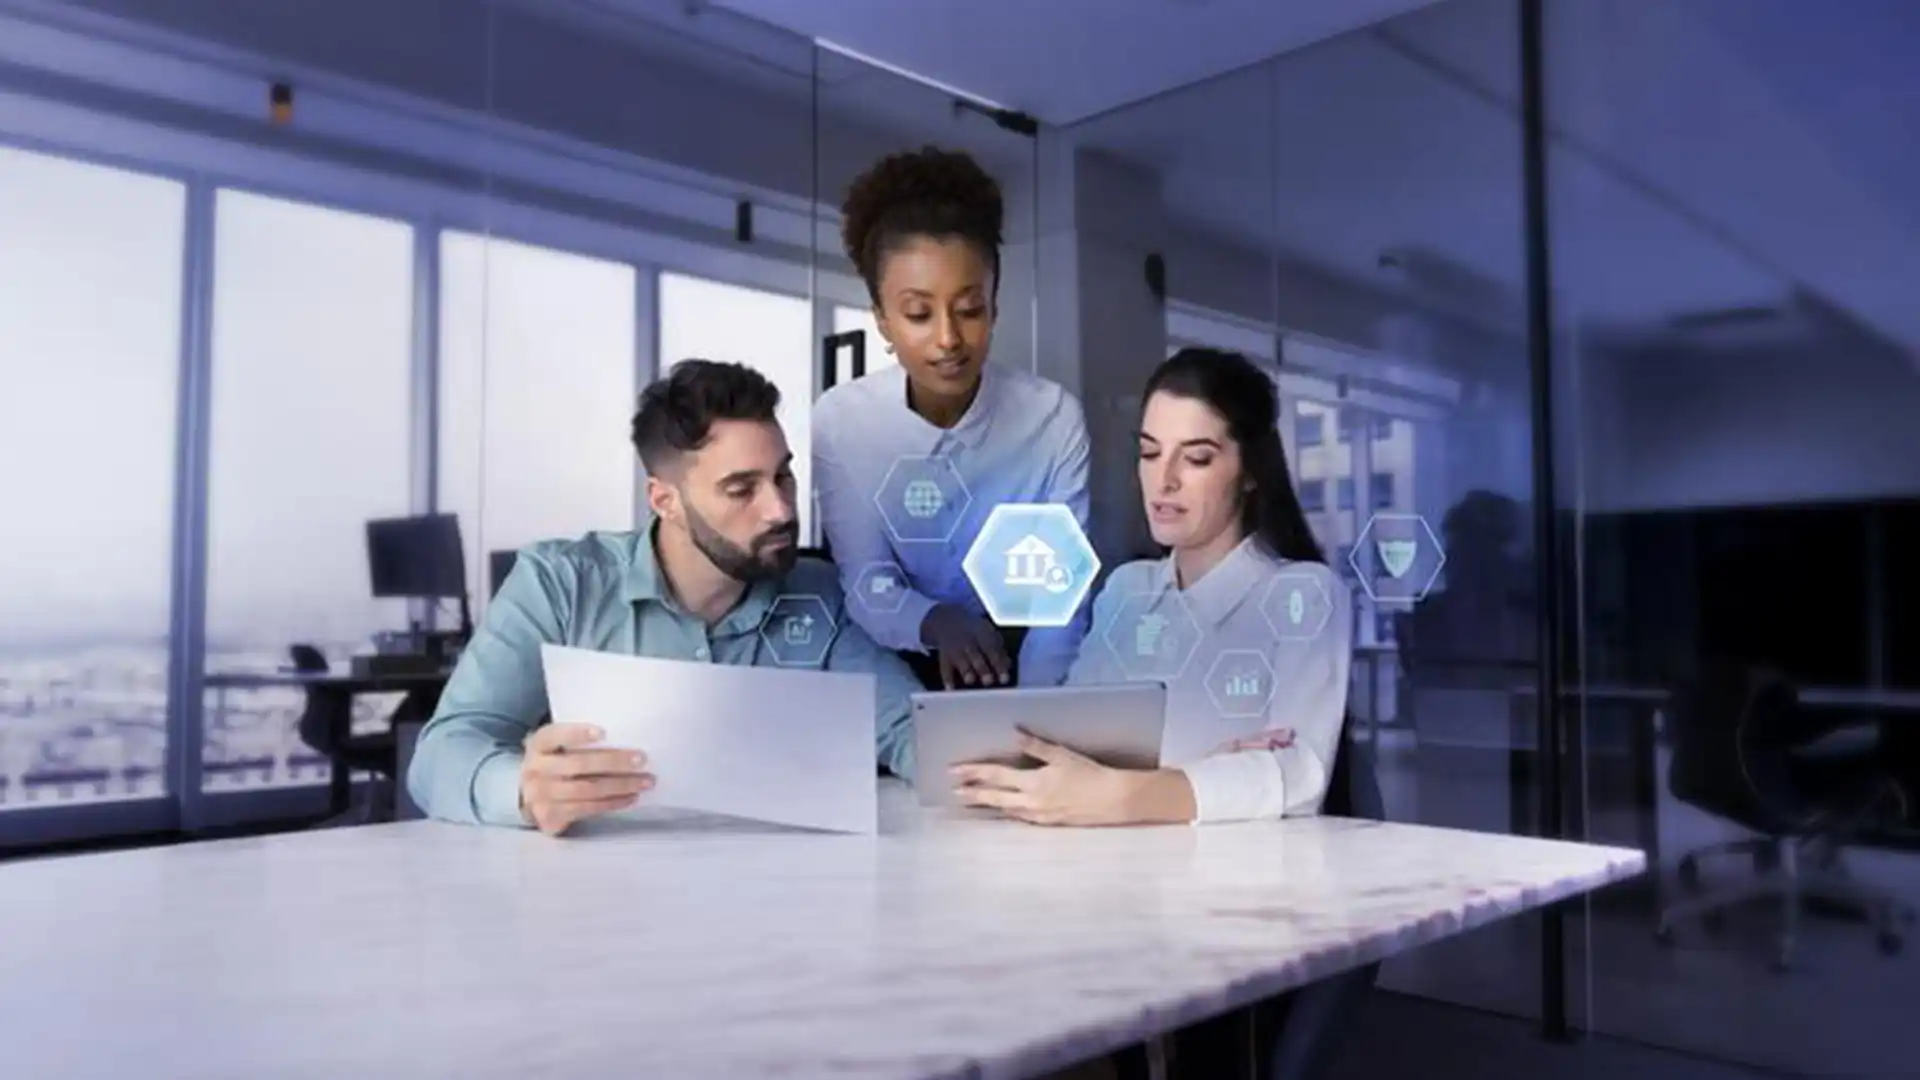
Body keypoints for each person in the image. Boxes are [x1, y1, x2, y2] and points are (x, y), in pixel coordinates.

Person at [408, 360, 922, 835]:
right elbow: (439, 754)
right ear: (664, 501)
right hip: (602, 885)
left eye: (782, 476)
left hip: (783, 881)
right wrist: (523, 790)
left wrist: (957, 765)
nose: (781, 510)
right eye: (742, 489)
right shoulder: (560, 584)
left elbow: (906, 729)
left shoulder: (819, 591)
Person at [950, 347, 1354, 826]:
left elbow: (1299, 776)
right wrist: (1199, 774)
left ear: (1250, 472)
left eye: (1197, 458)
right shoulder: (1128, 589)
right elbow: (1071, 741)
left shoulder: (1304, 593)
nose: (1164, 480)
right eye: (1149, 453)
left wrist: (1129, 793)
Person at [812, 145, 1093, 692]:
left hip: (1022, 654)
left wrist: (1035, 713)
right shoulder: (842, 421)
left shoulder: (1052, 419)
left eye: (969, 310)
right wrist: (936, 622)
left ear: (995, 305)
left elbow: (1058, 603)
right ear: (883, 320)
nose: (948, 339)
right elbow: (867, 581)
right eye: (918, 313)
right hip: (893, 654)